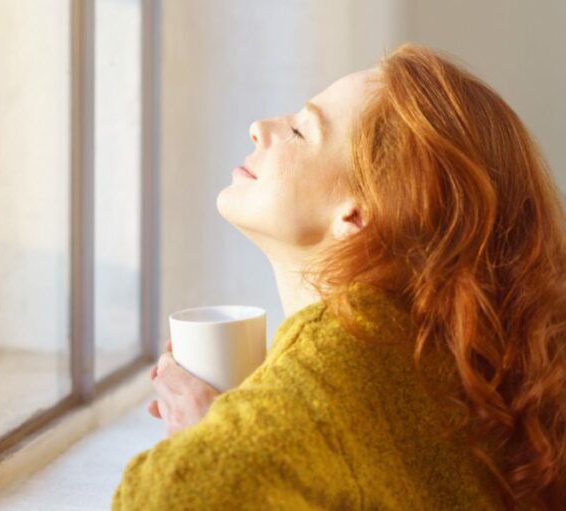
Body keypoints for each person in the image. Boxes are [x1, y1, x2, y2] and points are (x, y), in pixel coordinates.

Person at [112, 43, 566, 510]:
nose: (260, 129)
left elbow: (165, 496)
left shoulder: (341, 357)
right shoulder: (437, 350)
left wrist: (205, 442)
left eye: (299, 131)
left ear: (356, 214)